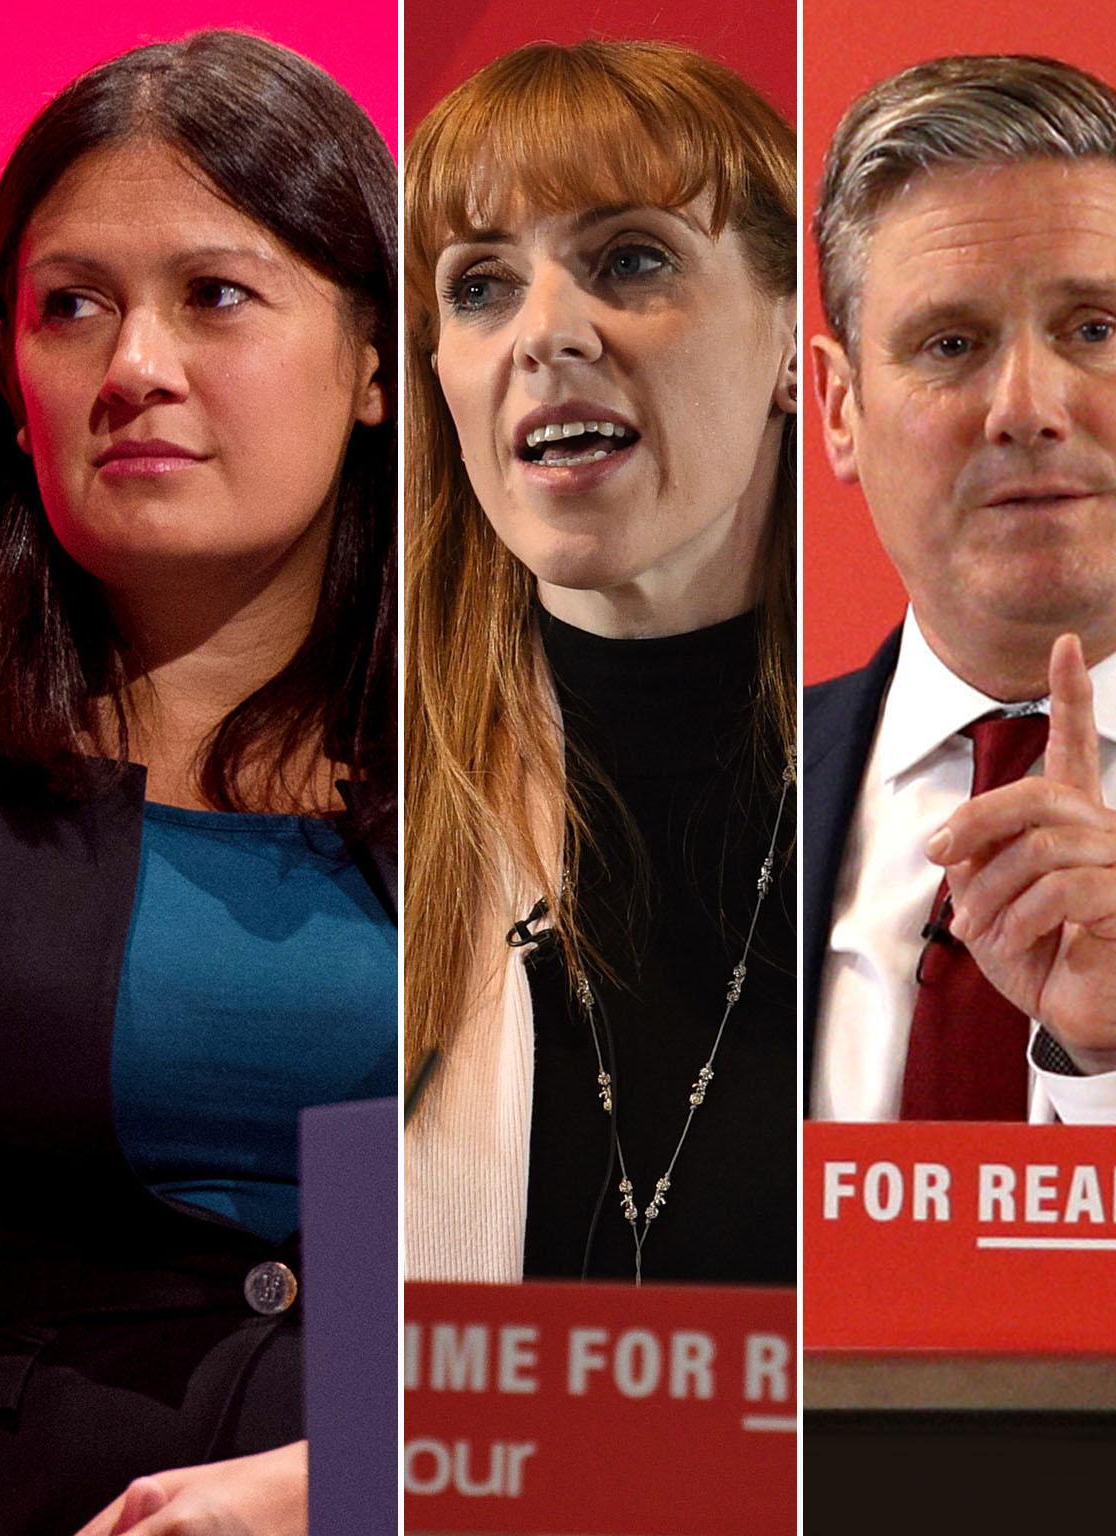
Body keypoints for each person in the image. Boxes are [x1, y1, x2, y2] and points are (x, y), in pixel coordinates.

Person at [0, 30, 397, 1536]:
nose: (133, 368)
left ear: (370, 361)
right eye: (71, 307)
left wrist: (349, 1474)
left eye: (214, 296)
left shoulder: (509, 774)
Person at [401, 41, 798, 1286]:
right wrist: (349, 1485)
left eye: (629, 259)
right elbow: (342, 1353)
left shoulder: (926, 797)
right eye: (479, 287)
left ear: (796, 339)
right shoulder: (370, 808)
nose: (545, 334)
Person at [805, 54, 1116, 1126]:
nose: (1025, 407)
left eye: (1090, 328)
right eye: (950, 344)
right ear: (839, 408)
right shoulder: (719, 799)